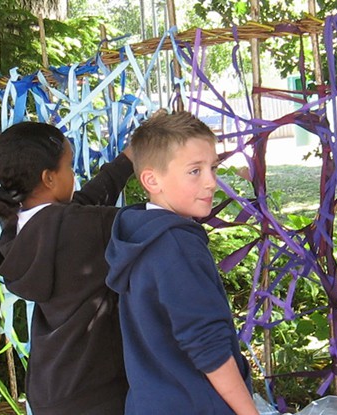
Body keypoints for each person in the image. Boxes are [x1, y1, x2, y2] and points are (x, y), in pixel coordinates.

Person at [104, 111, 258, 415]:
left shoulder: (139, 233)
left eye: (213, 167)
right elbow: (208, 346)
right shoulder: (175, 244)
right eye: (194, 171)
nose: (211, 182)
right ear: (151, 179)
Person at [0, 121, 132, 414]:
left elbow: (82, 203)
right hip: (95, 393)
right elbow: (151, 221)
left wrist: (129, 159)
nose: (74, 175)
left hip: (50, 388)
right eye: (69, 166)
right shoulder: (80, 227)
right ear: (49, 178)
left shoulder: (20, 231)